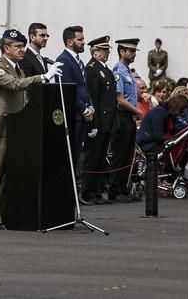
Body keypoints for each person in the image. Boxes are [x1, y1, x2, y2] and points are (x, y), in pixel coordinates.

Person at [0, 29, 62, 230]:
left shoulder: (18, 67)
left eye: (22, 46)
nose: (22, 50)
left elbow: (24, 96)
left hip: (18, 125)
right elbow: (15, 85)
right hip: (1, 125)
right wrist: (43, 77)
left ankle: (8, 212)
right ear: (6, 48)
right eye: (18, 47)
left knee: (13, 173)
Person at [56, 26, 94, 182]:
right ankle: (68, 190)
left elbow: (84, 87)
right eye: (80, 39)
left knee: (78, 152)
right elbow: (68, 90)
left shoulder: (78, 61)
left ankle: (74, 190)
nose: (84, 42)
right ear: (70, 41)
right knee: (71, 153)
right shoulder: (64, 60)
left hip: (82, 114)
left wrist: (90, 106)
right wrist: (84, 109)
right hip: (74, 115)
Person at [81, 36, 116, 205]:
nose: (107, 53)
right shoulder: (92, 69)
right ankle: (87, 192)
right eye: (104, 50)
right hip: (99, 121)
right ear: (95, 52)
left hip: (107, 122)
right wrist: (93, 124)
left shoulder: (104, 69)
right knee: (92, 158)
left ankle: (95, 191)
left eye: (107, 50)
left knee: (101, 159)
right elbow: (93, 97)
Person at [109, 38, 143, 203]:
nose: (134, 54)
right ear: (122, 51)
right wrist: (137, 110)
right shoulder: (118, 71)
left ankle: (123, 187)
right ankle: (114, 190)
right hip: (121, 117)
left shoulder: (128, 71)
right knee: (120, 155)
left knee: (128, 155)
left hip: (128, 117)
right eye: (131, 51)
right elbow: (119, 99)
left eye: (135, 51)